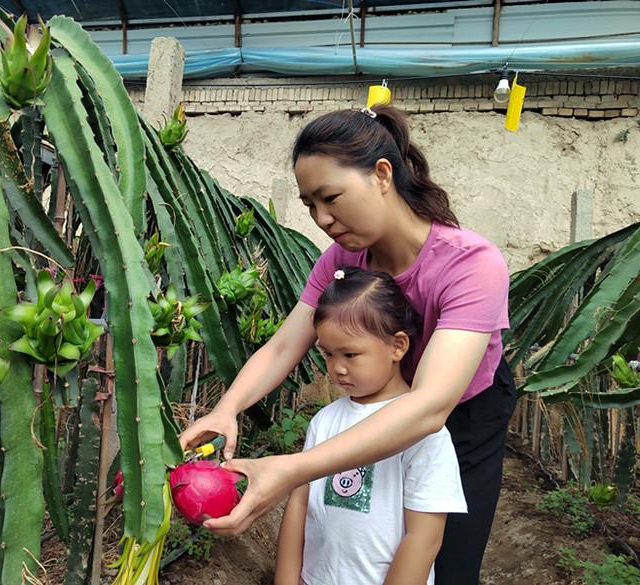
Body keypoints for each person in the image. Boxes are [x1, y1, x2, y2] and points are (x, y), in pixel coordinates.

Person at [180, 104, 517, 585]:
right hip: (377, 402)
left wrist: (292, 469)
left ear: (382, 175)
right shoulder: (342, 258)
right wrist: (227, 408)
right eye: (310, 205)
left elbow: (430, 406)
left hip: (461, 416)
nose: (322, 218)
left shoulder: (471, 265)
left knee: (448, 557)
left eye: (331, 197)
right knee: (364, 533)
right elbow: (283, 347)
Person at [275, 266, 467, 585]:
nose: (337, 368)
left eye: (350, 354)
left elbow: (424, 538)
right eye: (327, 354)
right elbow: (299, 502)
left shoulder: (423, 433)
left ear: (397, 346)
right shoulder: (325, 421)